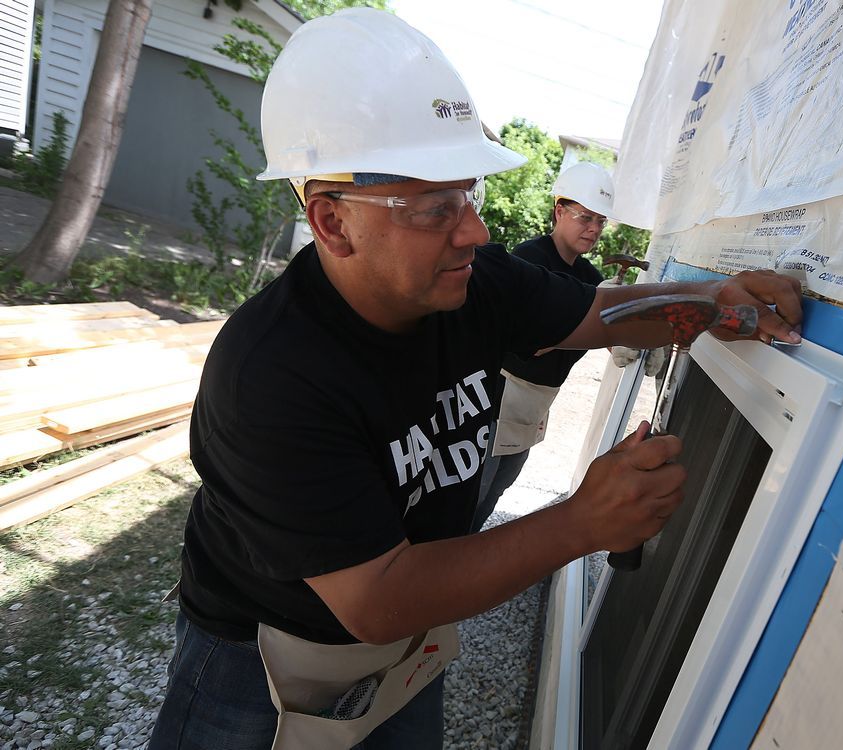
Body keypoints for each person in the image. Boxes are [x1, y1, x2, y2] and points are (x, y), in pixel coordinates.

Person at [148, 8, 802, 750]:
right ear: (332, 223)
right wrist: (582, 522)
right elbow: (379, 597)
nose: (475, 231)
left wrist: (709, 304)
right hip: (259, 666)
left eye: (470, 195)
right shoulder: (271, 375)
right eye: (435, 208)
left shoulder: (473, 285)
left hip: (408, 650)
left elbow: (598, 315)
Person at [472, 161, 659, 532]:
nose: (594, 229)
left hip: (536, 402)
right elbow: (529, 340)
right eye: (585, 217)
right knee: (471, 494)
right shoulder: (529, 259)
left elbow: (599, 327)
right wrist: (595, 317)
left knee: (496, 490)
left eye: (601, 221)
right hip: (498, 399)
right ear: (560, 211)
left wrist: (634, 334)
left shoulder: (589, 278)